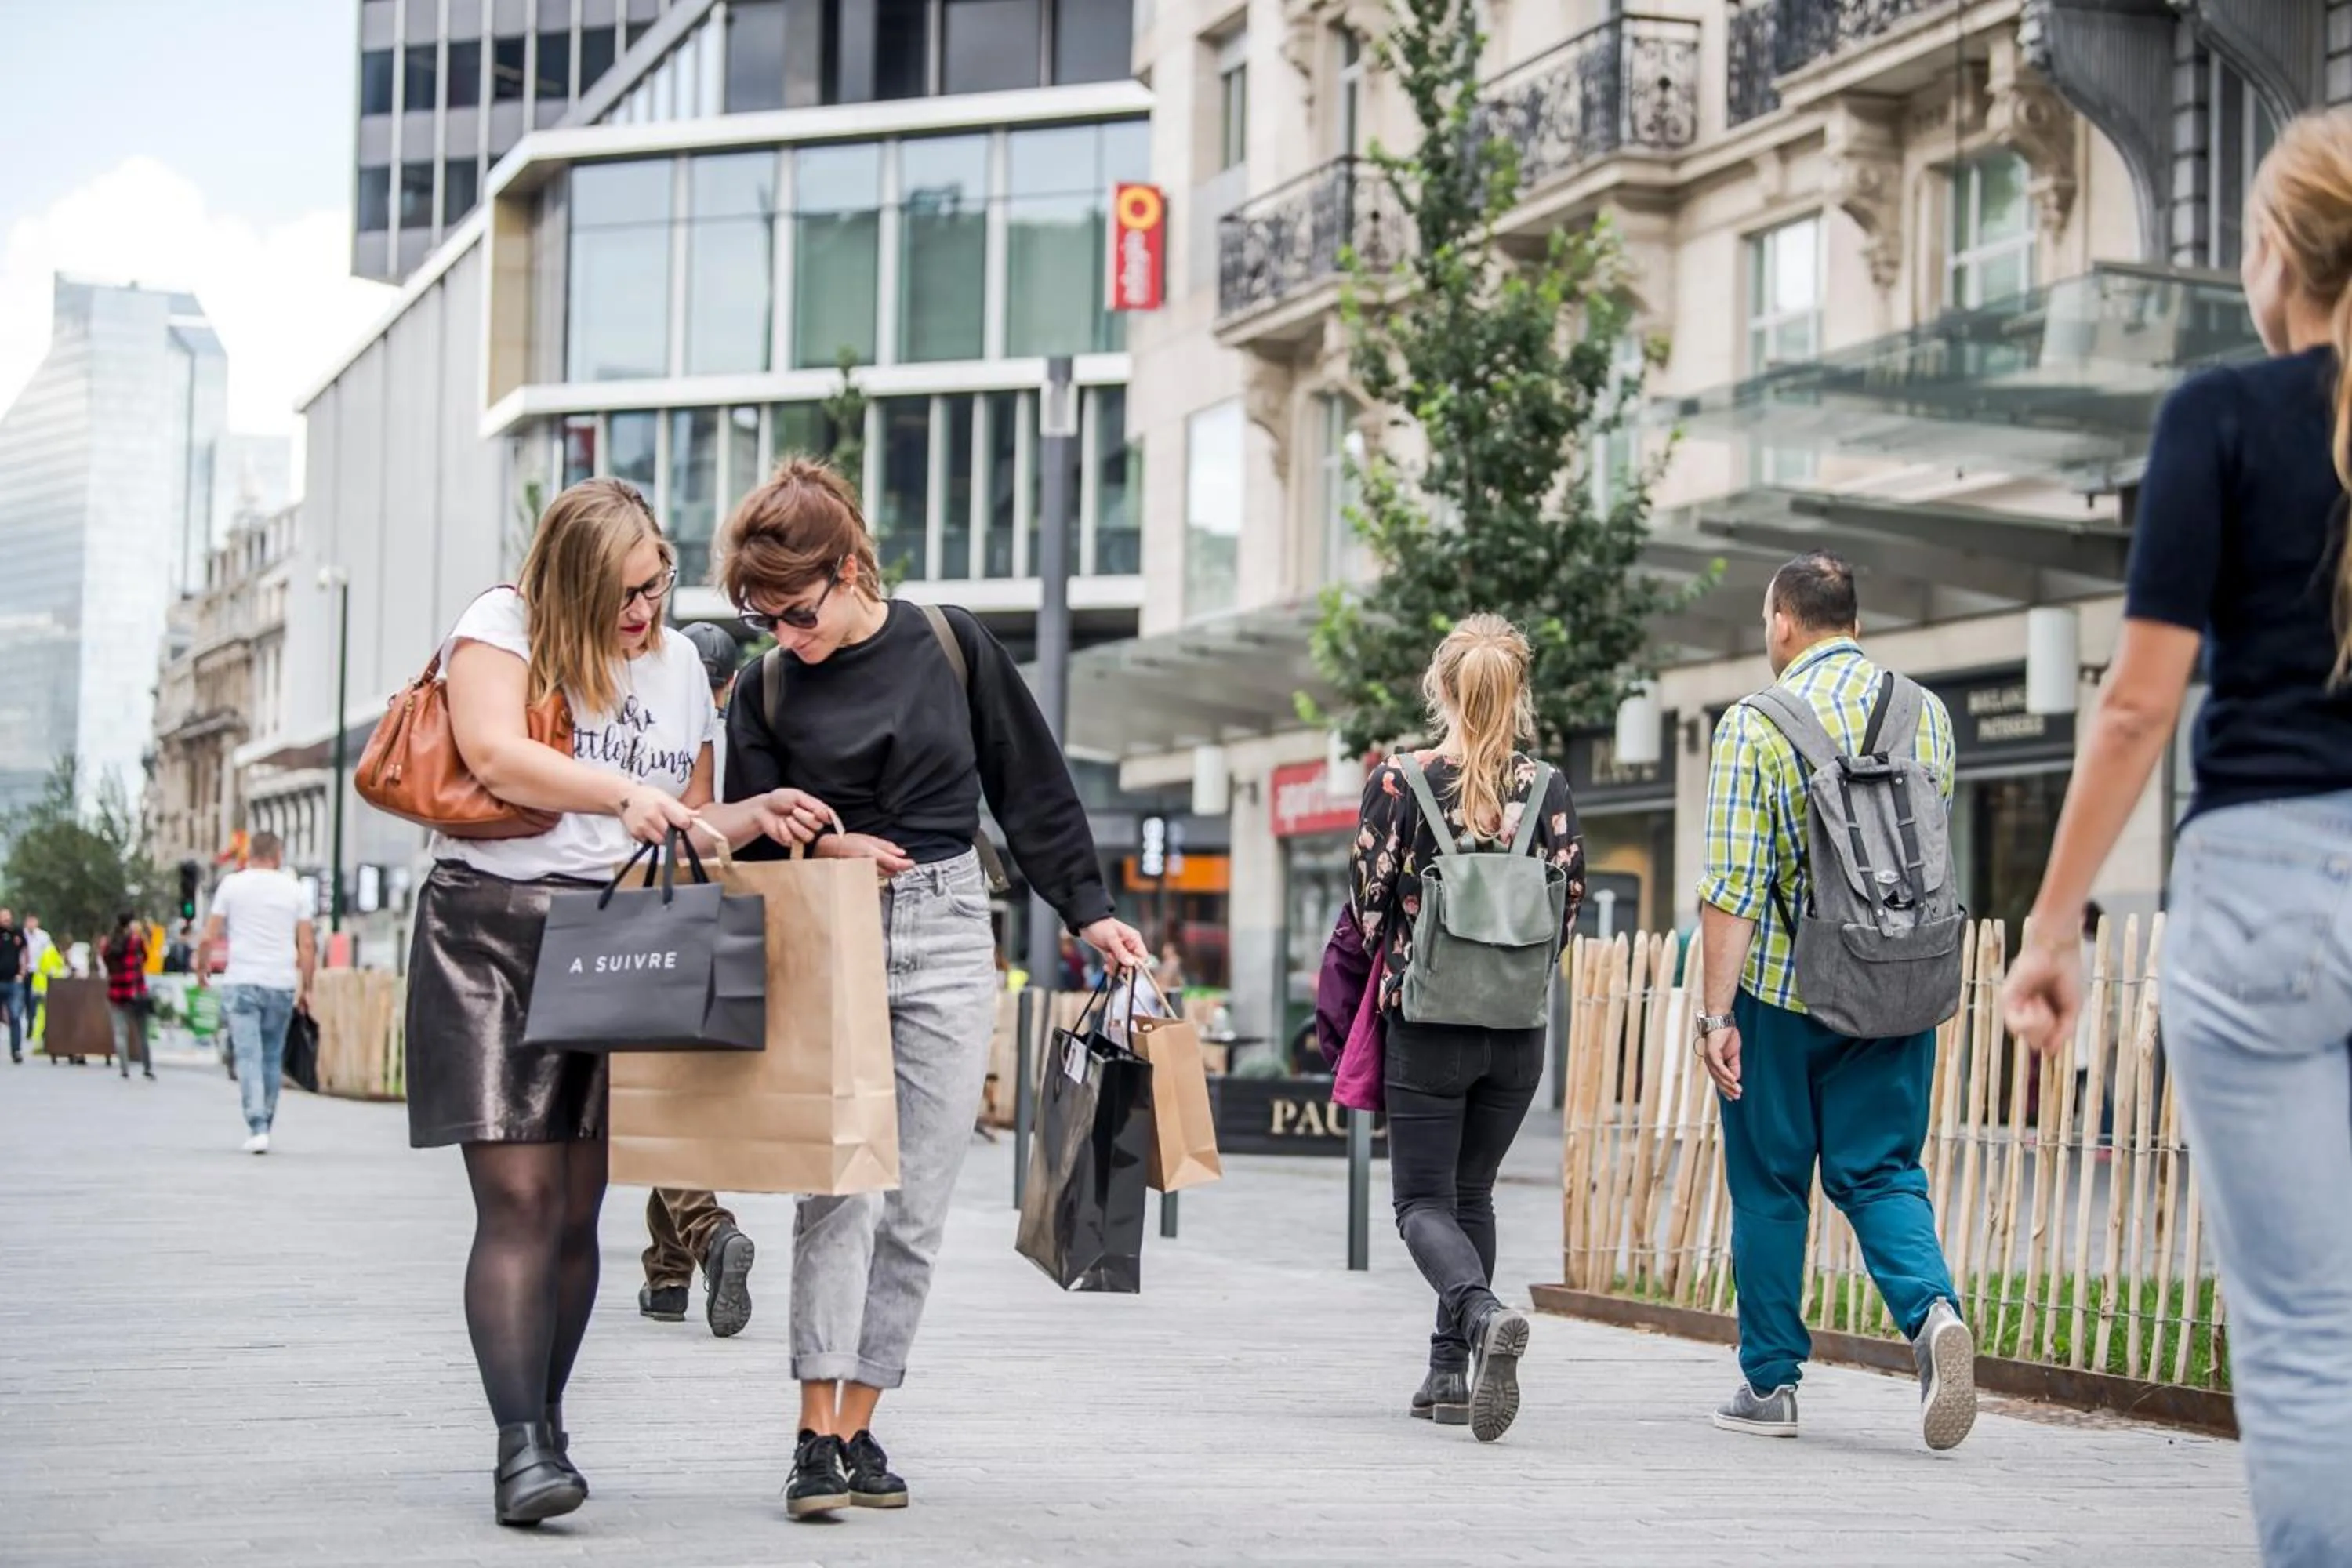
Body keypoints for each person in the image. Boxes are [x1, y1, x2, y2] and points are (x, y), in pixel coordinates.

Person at [2001, 111, 2352, 1568]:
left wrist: (2054, 924)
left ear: (2277, 255)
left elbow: (2139, 708)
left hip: (2263, 888)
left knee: (2307, 1334)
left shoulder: (2221, 415)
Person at [718, 458, 1150, 1520]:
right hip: (834, 934)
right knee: (839, 1189)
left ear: (853, 569)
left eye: (798, 610)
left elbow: (1031, 786)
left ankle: (863, 1420)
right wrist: (825, 850)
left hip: (954, 928)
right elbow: (749, 842)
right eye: (761, 615)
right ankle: (812, 1433)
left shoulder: (951, 644)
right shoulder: (768, 686)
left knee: (916, 1203)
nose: (784, 632)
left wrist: (1089, 910)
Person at [408, 477, 832, 1528]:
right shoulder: (500, 627)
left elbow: (683, 820)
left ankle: (546, 1429)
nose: (643, 614)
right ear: (572, 581)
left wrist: (751, 814)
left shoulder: (682, 663)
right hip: (491, 929)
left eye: (657, 588)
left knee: (582, 1207)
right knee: (519, 1200)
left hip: (615, 933)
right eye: (624, 595)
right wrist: (620, 794)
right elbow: (499, 754)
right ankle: (519, 1448)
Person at [1693, 550, 1977, 1451]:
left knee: (1772, 1183)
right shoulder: (1926, 715)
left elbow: (1731, 888)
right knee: (1884, 1169)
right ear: (1853, 618)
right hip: (1898, 986)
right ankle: (1933, 1317)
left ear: (1784, 621)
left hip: (1785, 995)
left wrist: (1715, 1014)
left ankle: (1771, 1381)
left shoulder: (1754, 724)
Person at [1349, 615, 1583, 1443]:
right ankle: (1449, 1371)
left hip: (1430, 1023)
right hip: (1517, 1032)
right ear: (1517, 693)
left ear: (1441, 688)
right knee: (1473, 1192)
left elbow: (1367, 905)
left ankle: (1481, 1318)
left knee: (1420, 1199)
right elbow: (1567, 908)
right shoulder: (1548, 788)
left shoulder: (1399, 781)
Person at [637, 617, 759, 1339]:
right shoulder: (748, 737)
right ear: (734, 680)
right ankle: (667, 1278)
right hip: (732, 929)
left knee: (658, 1098)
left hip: (650, 924)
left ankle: (711, 1233)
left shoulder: (663, 729)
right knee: (676, 1091)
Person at [203, 833, 318, 1155]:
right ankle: (264, 1121)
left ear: (250, 853)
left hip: (242, 980)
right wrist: (307, 987)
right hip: (280, 983)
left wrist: (201, 969)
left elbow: (208, 935)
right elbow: (307, 944)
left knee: (248, 1055)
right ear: (278, 854)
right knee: (271, 1056)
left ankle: (256, 1124)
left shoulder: (231, 885)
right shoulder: (295, 890)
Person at [100, 913, 152, 1081]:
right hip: (136, 991)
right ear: (130, 924)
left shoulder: (110, 944)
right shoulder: (136, 941)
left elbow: (106, 962)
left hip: (116, 992)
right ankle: (147, 1068)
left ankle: (124, 1069)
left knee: (120, 1032)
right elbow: (145, 957)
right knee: (142, 1032)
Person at [0, 909, 28, 1064]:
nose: (6, 920)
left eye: (8, 917)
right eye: (3, 918)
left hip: (13, 981)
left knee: (15, 1016)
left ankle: (16, 1050)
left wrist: (22, 973)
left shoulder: (17, 933)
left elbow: (25, 952)